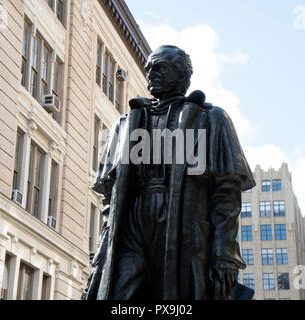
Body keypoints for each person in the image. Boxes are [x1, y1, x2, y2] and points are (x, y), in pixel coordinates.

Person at [82, 45, 255, 300]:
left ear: (182, 74)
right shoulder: (126, 122)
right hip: (132, 222)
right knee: (120, 293)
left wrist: (223, 251)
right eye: (149, 68)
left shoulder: (212, 118)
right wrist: (104, 248)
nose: (151, 73)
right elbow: (111, 197)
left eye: (160, 66)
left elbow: (226, 194)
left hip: (185, 222)